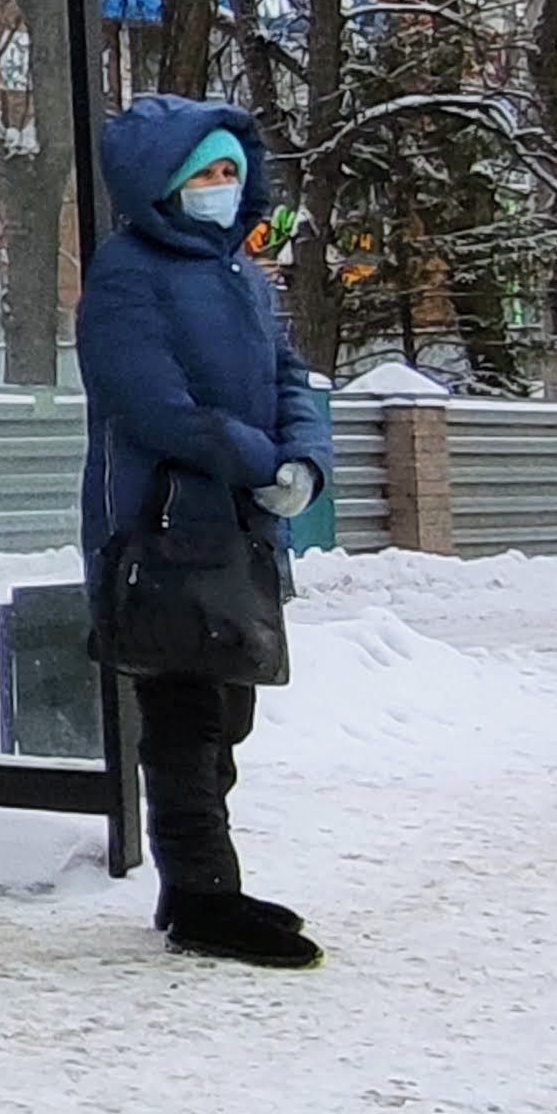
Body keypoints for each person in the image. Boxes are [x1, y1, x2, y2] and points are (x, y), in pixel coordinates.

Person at [76, 95, 333, 968]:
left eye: (231, 170)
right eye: (205, 173)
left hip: (237, 528)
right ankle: (203, 899)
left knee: (225, 711)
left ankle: (194, 884)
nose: (222, 185)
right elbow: (152, 403)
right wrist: (260, 460)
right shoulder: (127, 274)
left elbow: (290, 375)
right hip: (160, 529)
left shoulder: (240, 274)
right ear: (163, 183)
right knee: (184, 713)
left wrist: (303, 457)